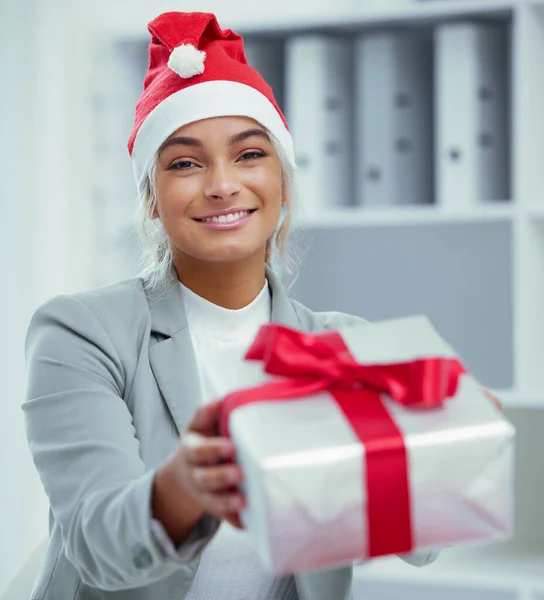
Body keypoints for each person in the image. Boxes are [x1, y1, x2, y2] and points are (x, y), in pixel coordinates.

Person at [23, 11, 440, 600]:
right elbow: (97, 544)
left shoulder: (344, 347)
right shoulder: (82, 331)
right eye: (185, 163)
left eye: (249, 155)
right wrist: (183, 487)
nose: (222, 184)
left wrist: (445, 439)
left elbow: (423, 541)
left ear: (284, 183)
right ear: (151, 198)